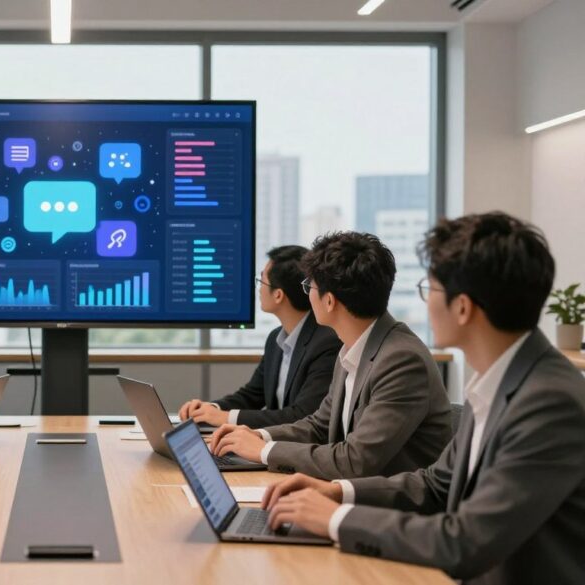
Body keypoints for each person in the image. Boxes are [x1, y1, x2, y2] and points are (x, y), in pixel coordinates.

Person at [261, 212, 585, 584]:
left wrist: (335, 519)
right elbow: (434, 485)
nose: (424, 303)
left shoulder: (548, 402)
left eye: (429, 289)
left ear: (463, 307)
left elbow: (465, 542)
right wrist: (336, 492)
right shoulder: (504, 380)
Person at [211, 232, 451, 479]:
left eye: (309, 286)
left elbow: (355, 461)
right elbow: (319, 425)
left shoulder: (401, 360)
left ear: (329, 301)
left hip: (391, 509)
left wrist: (265, 451)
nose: (307, 294)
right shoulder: (352, 347)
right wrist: (259, 436)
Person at [179, 245, 341, 427]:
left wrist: (225, 418)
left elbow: (302, 416)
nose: (258, 289)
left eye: (261, 281)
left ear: (278, 295)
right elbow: (252, 395)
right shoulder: (276, 339)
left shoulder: (327, 343)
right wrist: (210, 409)